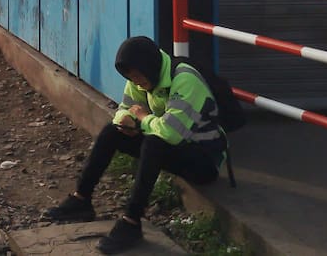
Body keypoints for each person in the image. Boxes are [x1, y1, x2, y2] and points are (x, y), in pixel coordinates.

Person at [44, 36, 226, 254]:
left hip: (204, 160)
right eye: (132, 78)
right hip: (174, 144)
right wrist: (125, 120)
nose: (137, 82)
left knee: (154, 143)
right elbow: (125, 108)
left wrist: (141, 118)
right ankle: (81, 199)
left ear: (151, 65)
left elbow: (171, 133)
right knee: (112, 132)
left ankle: (131, 221)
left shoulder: (185, 80)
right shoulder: (140, 77)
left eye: (139, 76)